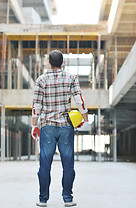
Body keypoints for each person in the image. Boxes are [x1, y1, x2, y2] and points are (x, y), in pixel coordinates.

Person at [32, 50, 88, 207]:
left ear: (49, 63)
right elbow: (79, 100)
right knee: (68, 164)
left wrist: (34, 125)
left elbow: (36, 106)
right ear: (62, 62)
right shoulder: (71, 78)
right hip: (66, 127)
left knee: (44, 164)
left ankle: (43, 199)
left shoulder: (41, 80)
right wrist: (84, 119)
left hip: (47, 126)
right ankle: (68, 198)